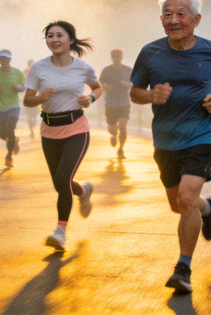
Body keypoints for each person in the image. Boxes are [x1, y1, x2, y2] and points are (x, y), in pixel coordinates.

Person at [130, 0, 211, 294]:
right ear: (161, 19)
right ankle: (208, 208)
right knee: (179, 204)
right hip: (165, 138)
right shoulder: (150, 52)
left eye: (180, 13)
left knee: (186, 199)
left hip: (201, 134)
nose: (173, 20)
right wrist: (151, 95)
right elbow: (135, 92)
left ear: (196, 19)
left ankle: (183, 268)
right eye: (167, 14)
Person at [23, 21, 102, 252]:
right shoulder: (39, 68)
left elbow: (97, 88)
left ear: (70, 40)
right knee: (60, 183)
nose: (54, 39)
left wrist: (91, 98)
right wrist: (41, 98)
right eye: (50, 36)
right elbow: (27, 100)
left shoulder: (82, 67)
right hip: (49, 131)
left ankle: (60, 232)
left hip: (76, 127)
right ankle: (84, 191)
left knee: (62, 178)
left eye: (59, 35)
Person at [0, 49, 26, 167]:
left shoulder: (17, 72)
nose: (3, 61)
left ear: (9, 60)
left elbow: (24, 86)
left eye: (5, 59)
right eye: (1, 59)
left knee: (10, 129)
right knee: (2, 135)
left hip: (13, 106)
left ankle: (9, 156)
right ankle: (14, 141)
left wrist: (18, 89)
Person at [99, 48, 133, 159]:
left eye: (118, 56)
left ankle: (121, 149)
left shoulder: (128, 70)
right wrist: (106, 86)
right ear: (111, 57)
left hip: (124, 101)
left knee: (123, 126)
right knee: (112, 128)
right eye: (114, 56)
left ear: (122, 57)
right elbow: (100, 84)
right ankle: (114, 135)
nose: (116, 58)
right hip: (110, 102)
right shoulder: (107, 70)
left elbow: (135, 83)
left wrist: (127, 84)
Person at [23, 59, 40, 138]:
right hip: (27, 95)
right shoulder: (25, 72)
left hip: (35, 96)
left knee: (35, 113)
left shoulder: (38, 72)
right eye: (30, 64)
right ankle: (31, 131)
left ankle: (35, 119)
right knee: (29, 115)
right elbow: (22, 82)